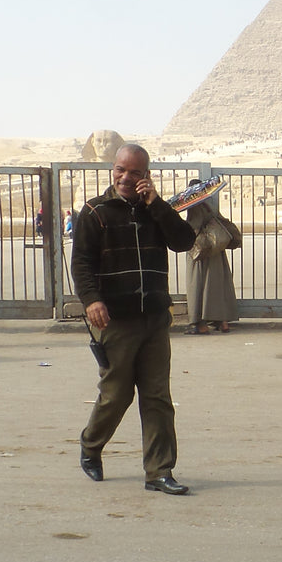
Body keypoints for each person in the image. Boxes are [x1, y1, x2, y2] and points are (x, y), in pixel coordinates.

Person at [71, 143, 197, 494]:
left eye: (135, 172)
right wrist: (91, 300)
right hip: (115, 320)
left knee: (157, 397)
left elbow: (184, 241)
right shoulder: (95, 212)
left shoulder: (155, 210)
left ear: (146, 175)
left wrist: (156, 205)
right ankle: (91, 445)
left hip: (154, 318)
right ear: (113, 170)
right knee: (116, 395)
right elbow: (81, 262)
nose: (126, 178)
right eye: (120, 171)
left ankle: (158, 472)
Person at [183, 194, 242, 334]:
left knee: (197, 285)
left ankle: (201, 325)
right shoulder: (211, 206)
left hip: (202, 253)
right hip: (217, 252)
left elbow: (194, 228)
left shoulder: (195, 207)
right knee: (217, 287)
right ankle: (223, 323)